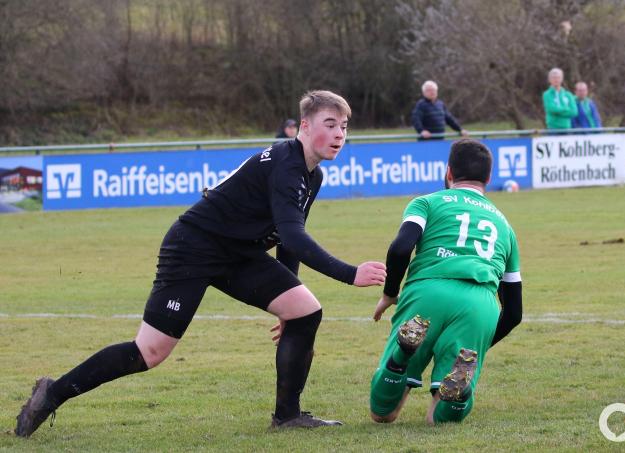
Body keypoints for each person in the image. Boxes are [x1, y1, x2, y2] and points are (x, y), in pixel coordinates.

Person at [14, 90, 388, 437]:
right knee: (150, 352)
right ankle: (52, 393)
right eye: (330, 124)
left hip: (238, 253)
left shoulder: (312, 173)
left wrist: (285, 299)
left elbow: (287, 232)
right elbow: (292, 237)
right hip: (193, 247)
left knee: (305, 311)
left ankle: (287, 416)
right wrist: (349, 273)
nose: (340, 134)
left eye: (344, 126)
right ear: (304, 126)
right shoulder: (287, 165)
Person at [368, 139, 523, 425]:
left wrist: (390, 294)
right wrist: (480, 340)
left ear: (449, 172)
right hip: (480, 304)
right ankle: (459, 394)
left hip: (427, 292)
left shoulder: (427, 202)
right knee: (439, 423)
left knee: (383, 414)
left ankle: (400, 359)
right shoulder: (505, 226)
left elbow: (401, 248)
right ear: (488, 178)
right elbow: (514, 313)